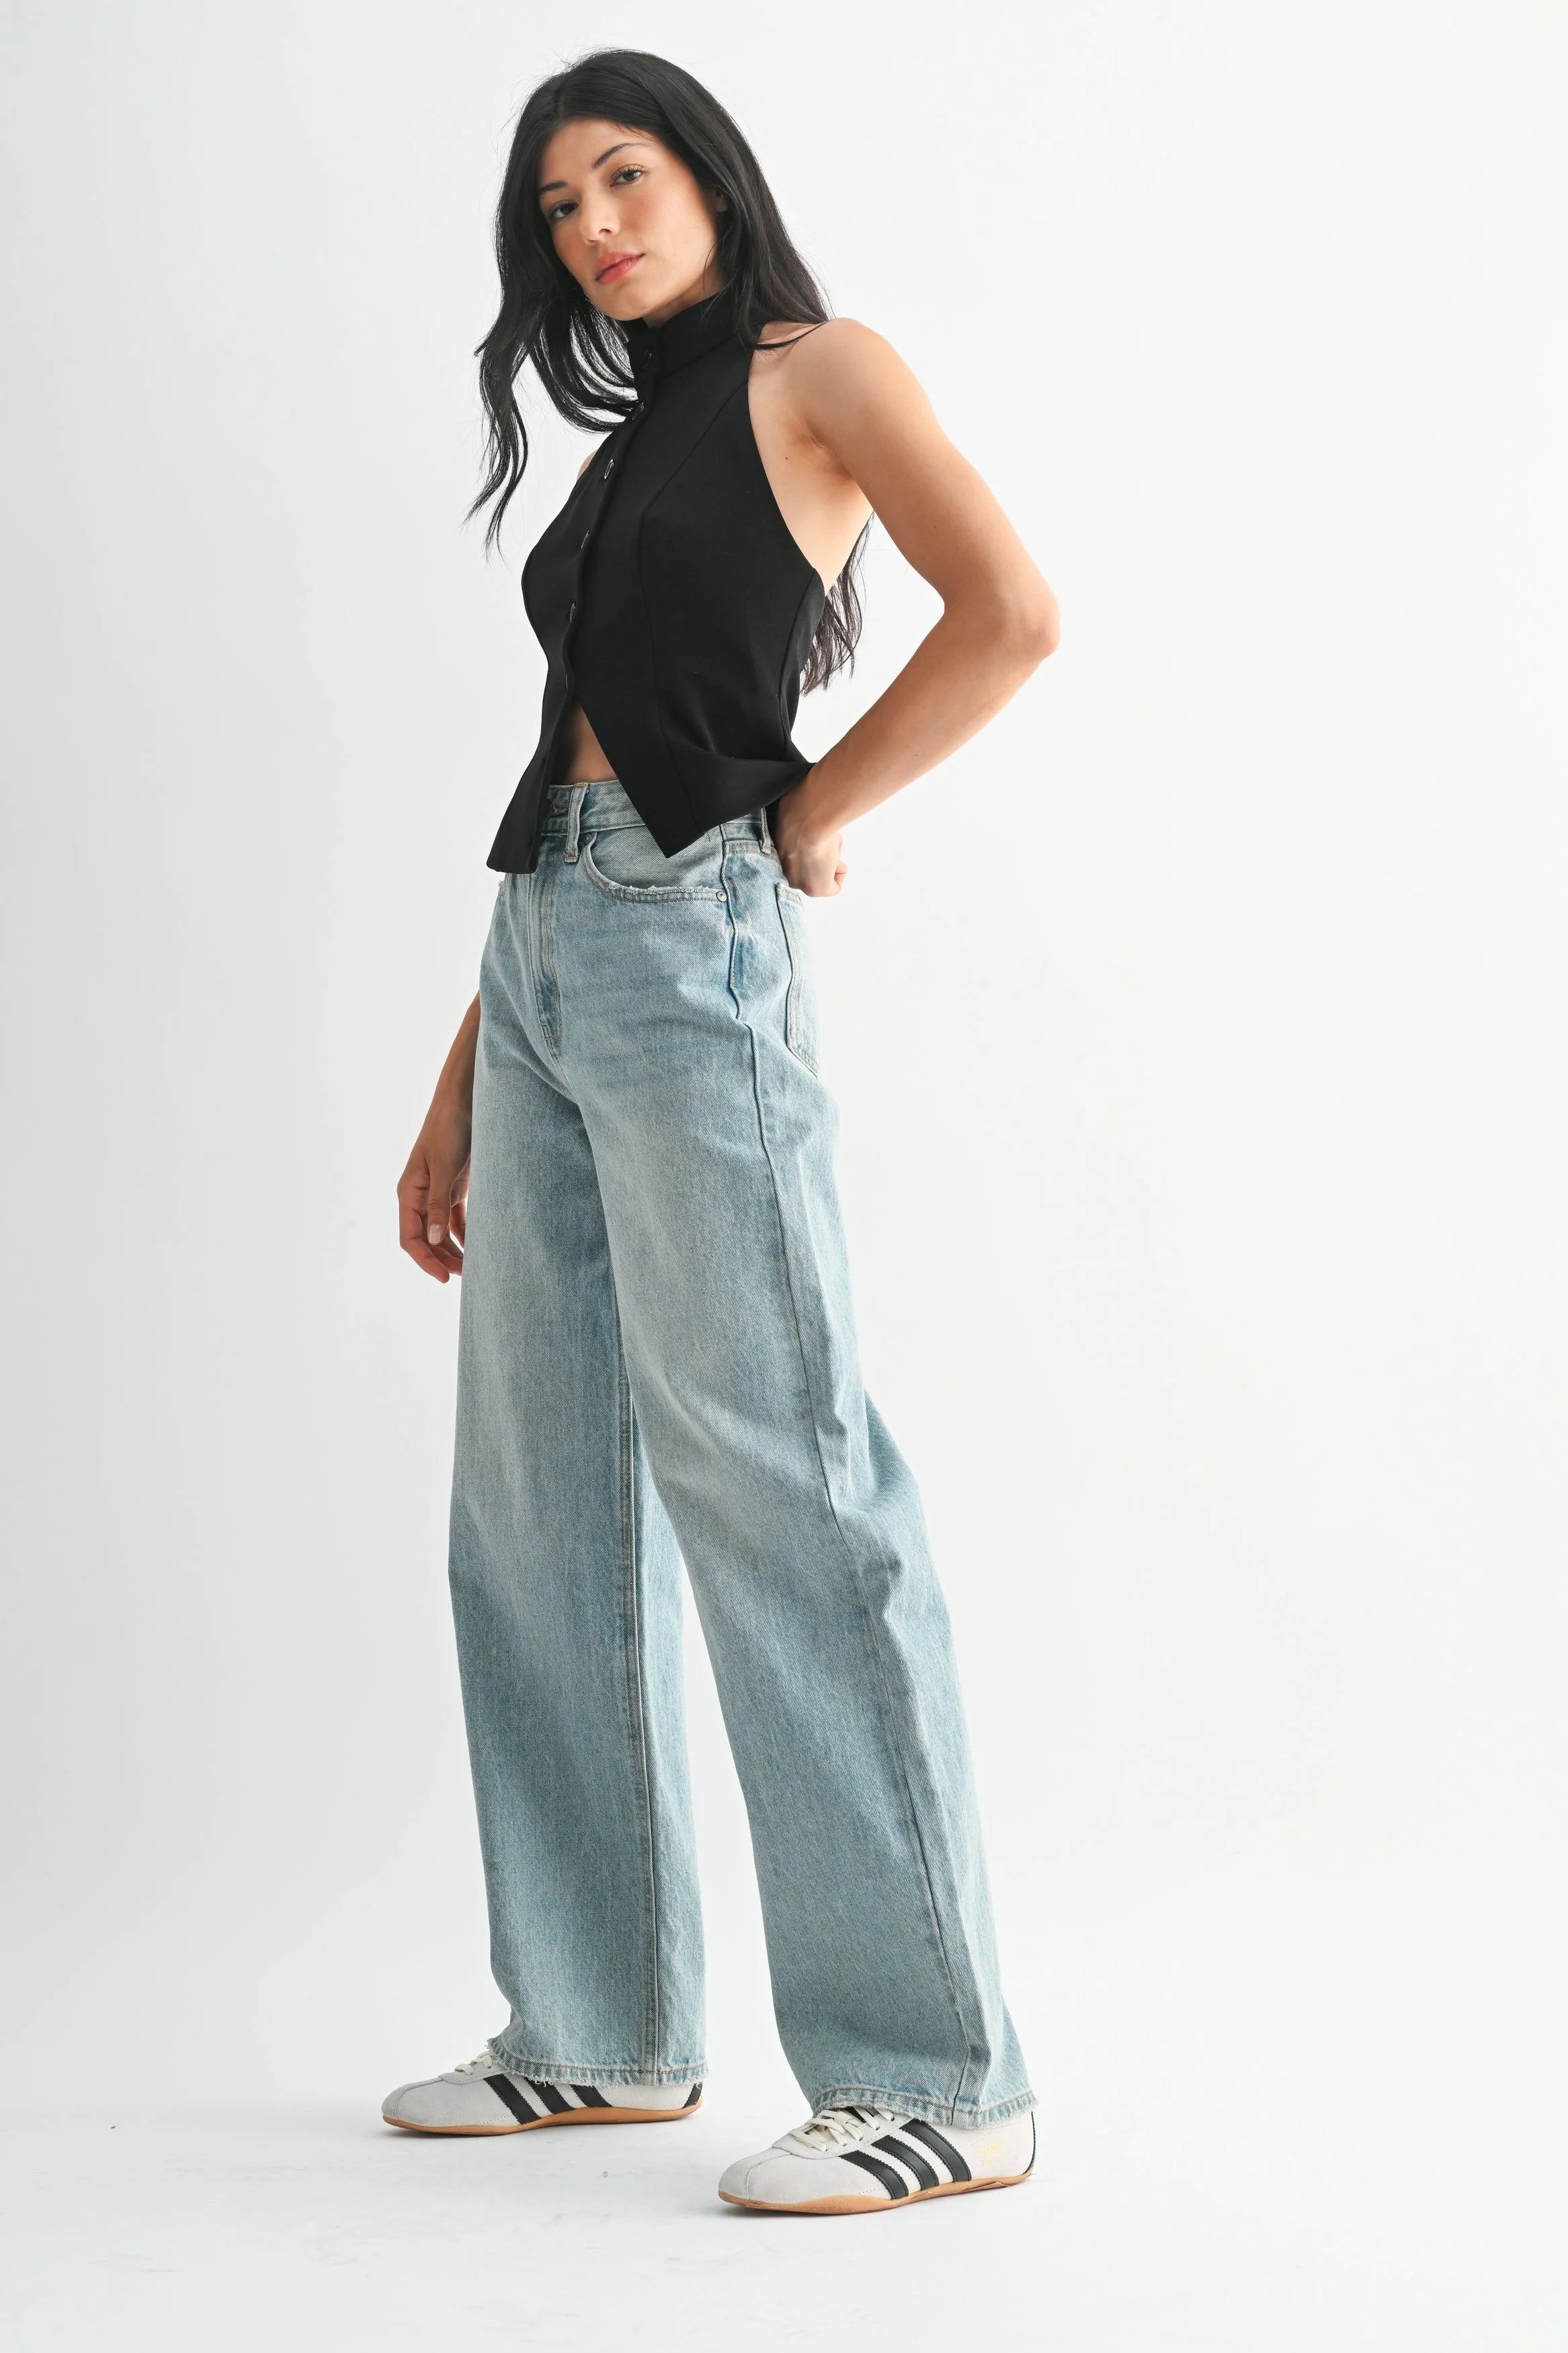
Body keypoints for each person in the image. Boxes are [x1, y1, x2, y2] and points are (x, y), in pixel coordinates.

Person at [385, 48, 1061, 2217]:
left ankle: (936, 2069)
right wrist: (466, 1072)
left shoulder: (816, 371)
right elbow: (565, 756)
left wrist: (813, 816)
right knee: (538, 1504)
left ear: (705, 168)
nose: (594, 227)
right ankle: (595, 2029)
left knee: (781, 1479)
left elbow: (1014, 616)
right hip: (549, 951)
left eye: (623, 174)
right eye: (560, 210)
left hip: (691, 947)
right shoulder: (631, 437)